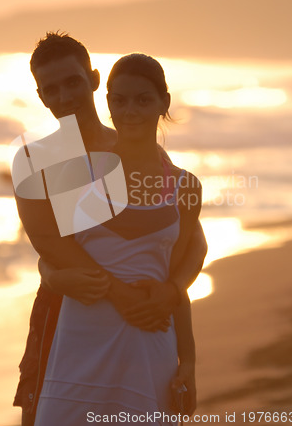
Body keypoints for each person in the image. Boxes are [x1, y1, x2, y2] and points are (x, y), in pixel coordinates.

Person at [12, 33, 207, 425]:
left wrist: (169, 295)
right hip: (68, 314)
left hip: (141, 323)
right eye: (51, 89)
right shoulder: (37, 157)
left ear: (94, 79)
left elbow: (187, 246)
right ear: (40, 95)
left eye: (72, 82)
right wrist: (51, 272)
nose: (64, 96)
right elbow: (51, 246)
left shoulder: (137, 148)